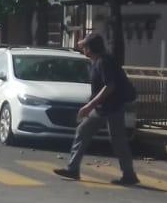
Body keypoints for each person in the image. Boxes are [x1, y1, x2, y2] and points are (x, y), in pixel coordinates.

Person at [54, 33, 139, 186]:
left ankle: (129, 175)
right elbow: (82, 44)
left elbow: (109, 86)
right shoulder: (98, 60)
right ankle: (73, 169)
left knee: (118, 141)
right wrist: (82, 41)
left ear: (91, 48)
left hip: (112, 107)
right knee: (83, 131)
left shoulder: (103, 62)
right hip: (103, 108)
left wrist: (89, 106)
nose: (83, 49)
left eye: (86, 46)